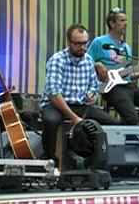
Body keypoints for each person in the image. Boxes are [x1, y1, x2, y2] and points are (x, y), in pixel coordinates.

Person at [40, 24, 118, 163]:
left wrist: (92, 95)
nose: (82, 47)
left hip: (80, 104)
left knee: (112, 123)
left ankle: (98, 160)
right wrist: (75, 118)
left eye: (84, 43)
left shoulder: (88, 60)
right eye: (77, 44)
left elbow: (94, 86)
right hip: (57, 105)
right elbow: (54, 94)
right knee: (50, 121)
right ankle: (50, 160)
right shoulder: (57, 60)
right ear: (68, 42)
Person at [87, 7, 139, 125]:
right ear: (112, 23)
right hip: (111, 87)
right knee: (132, 118)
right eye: (122, 21)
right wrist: (97, 64)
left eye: (126, 20)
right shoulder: (99, 42)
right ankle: (132, 127)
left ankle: (133, 129)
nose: (126, 24)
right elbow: (84, 62)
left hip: (128, 86)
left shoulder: (127, 48)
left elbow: (128, 74)